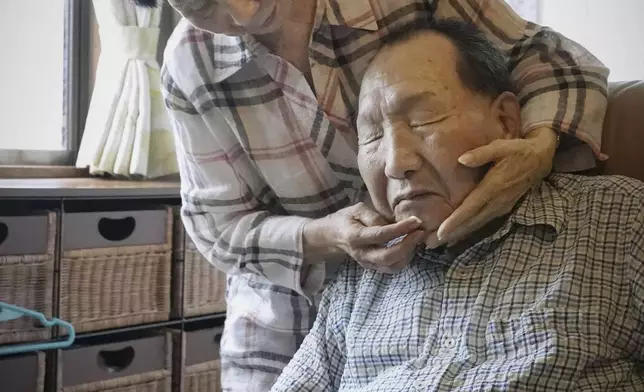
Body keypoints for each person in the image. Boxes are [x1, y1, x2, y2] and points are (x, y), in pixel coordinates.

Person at [135, 0, 609, 390]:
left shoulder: (615, 225)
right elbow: (218, 226)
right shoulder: (189, 64)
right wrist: (329, 236)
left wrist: (540, 144)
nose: (242, 15)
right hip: (292, 312)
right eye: (202, 6)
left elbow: (547, 56)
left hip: (456, 277)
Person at [269, 19, 644, 391]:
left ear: (505, 121)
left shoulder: (620, 221)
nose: (396, 162)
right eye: (374, 136)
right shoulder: (359, 278)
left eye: (422, 119)